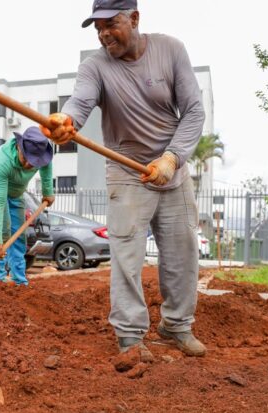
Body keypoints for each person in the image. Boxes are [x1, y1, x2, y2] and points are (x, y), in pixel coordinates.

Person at [42, 0, 207, 357]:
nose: (103, 34)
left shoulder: (171, 50)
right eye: (97, 28)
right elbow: (79, 103)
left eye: (110, 24)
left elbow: (194, 111)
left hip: (172, 170)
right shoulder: (95, 67)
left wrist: (172, 158)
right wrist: (65, 122)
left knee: (182, 253)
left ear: (134, 19)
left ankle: (176, 326)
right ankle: (130, 335)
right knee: (127, 254)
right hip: (127, 171)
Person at [0, 126, 55, 286]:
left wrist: (48, 192)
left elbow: (46, 172)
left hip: (16, 193)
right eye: (25, 158)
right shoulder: (2, 160)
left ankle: (19, 280)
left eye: (33, 162)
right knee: (4, 231)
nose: (28, 164)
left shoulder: (42, 157)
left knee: (19, 235)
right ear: (19, 146)